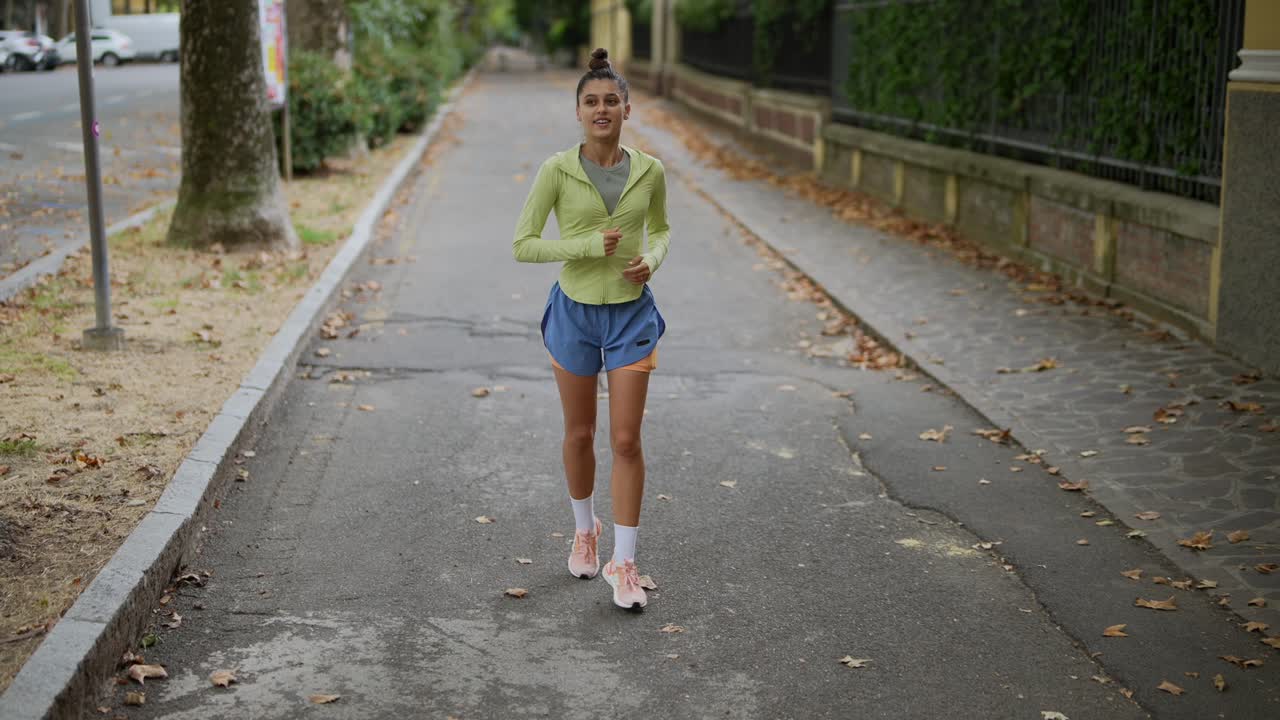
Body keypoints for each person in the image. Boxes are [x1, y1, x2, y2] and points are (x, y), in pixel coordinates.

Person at [512, 48, 671, 610]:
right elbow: (523, 244)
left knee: (626, 440)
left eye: (611, 101)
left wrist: (653, 260)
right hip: (575, 311)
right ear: (578, 111)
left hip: (630, 313)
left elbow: (662, 230)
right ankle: (586, 528)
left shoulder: (650, 170)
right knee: (580, 434)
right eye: (591, 102)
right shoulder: (556, 170)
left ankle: (623, 563)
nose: (601, 109)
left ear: (627, 108)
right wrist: (582, 246)